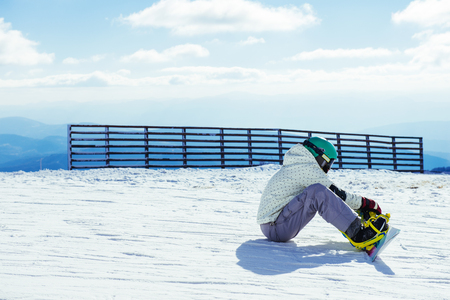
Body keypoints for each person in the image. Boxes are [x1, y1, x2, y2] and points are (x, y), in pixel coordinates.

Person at [257, 136, 389, 250]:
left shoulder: (299, 164)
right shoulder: (305, 168)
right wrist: (366, 203)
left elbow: (335, 198)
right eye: (327, 164)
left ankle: (356, 226)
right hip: (276, 228)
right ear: (319, 156)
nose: (327, 169)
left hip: (274, 225)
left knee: (318, 192)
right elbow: (337, 195)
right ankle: (359, 235)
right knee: (317, 192)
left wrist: (359, 207)